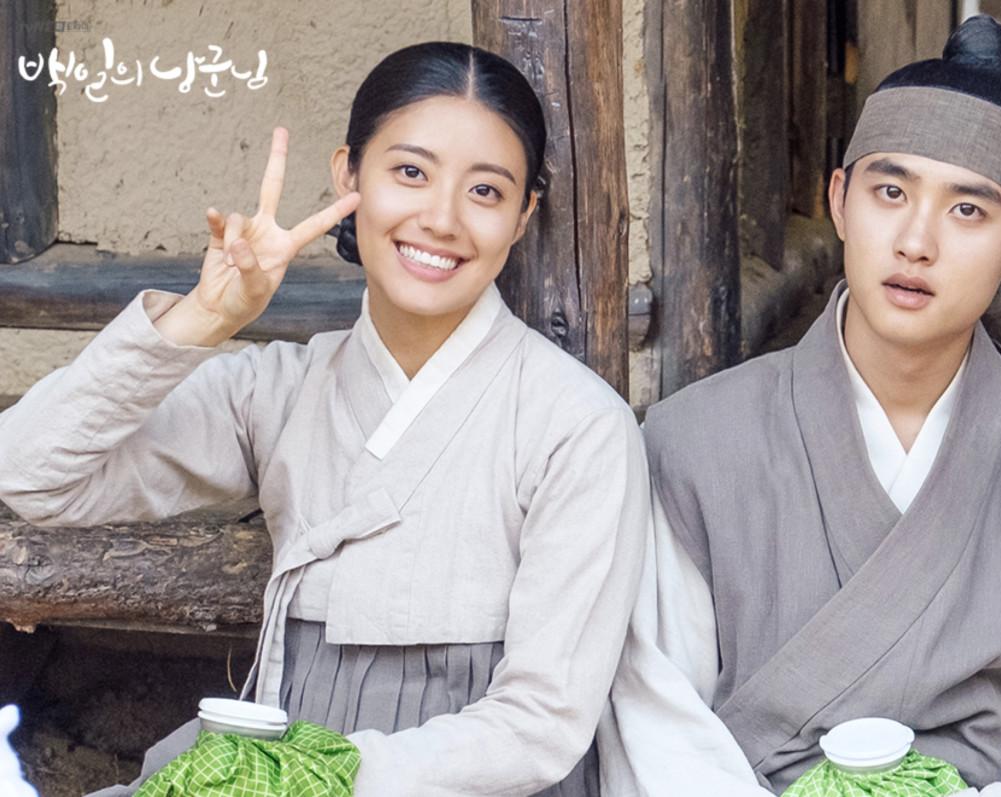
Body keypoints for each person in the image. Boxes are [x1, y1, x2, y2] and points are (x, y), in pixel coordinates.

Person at [0, 42, 648, 797]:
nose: (441, 219)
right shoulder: (277, 388)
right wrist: (201, 320)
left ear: (523, 214)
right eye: (410, 173)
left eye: (485, 190)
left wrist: (315, 776)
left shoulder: (576, 425)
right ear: (349, 175)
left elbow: (540, 726)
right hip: (267, 769)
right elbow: (29, 473)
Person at [598, 16, 1001, 797]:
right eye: (890, 191)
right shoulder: (695, 444)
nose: (916, 241)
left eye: (967, 210)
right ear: (840, 202)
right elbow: (657, 718)